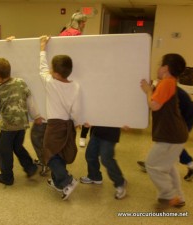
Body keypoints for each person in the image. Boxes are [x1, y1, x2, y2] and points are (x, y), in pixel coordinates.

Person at [140, 53, 188, 209]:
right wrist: (152, 88)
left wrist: (148, 91)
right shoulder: (168, 82)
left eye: (160, 65)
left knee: (152, 165)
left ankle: (168, 195)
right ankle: (179, 197)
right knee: (168, 167)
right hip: (176, 134)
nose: (158, 68)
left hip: (170, 135)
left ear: (166, 68)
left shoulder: (167, 83)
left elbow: (154, 105)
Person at [39, 35, 81, 200]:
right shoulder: (75, 86)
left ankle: (67, 181)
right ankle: (57, 182)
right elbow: (76, 110)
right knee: (60, 152)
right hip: (68, 124)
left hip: (55, 125)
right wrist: (76, 122)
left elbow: (41, 69)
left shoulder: (50, 83)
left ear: (55, 73)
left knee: (49, 153)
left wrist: (42, 47)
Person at [0, 57, 39, 186]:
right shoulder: (20, 82)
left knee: (3, 151)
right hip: (22, 124)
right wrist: (36, 115)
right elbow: (30, 101)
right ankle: (30, 167)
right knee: (17, 146)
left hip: (8, 127)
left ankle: (7, 177)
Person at [137, 85, 193, 181]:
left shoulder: (169, 90)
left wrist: (149, 93)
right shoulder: (168, 88)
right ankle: (153, 163)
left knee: (172, 143)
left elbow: (155, 105)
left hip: (186, 119)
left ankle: (192, 166)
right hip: (184, 117)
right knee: (168, 143)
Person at [59, 11, 89, 148]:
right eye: (83, 22)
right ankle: (81, 135)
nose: (84, 25)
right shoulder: (77, 35)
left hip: (63, 73)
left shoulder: (62, 33)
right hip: (76, 73)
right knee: (82, 105)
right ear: (79, 22)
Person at [80, 126, 127, 199]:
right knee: (90, 155)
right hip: (97, 131)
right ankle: (95, 176)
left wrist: (127, 122)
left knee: (106, 159)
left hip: (111, 133)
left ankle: (120, 182)